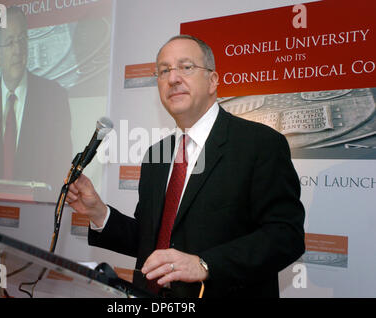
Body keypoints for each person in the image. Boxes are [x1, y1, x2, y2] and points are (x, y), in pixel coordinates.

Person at [66, 35, 305, 297]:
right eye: (164, 70)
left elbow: (286, 236)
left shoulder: (260, 144)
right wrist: (99, 213)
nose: (173, 78)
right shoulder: (156, 154)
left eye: (186, 67)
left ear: (213, 81)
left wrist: (205, 264)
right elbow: (152, 242)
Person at [0, 6, 72, 201]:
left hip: (35, 221)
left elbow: (62, 170)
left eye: (22, 40)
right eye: (10, 42)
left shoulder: (54, 98)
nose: (18, 50)